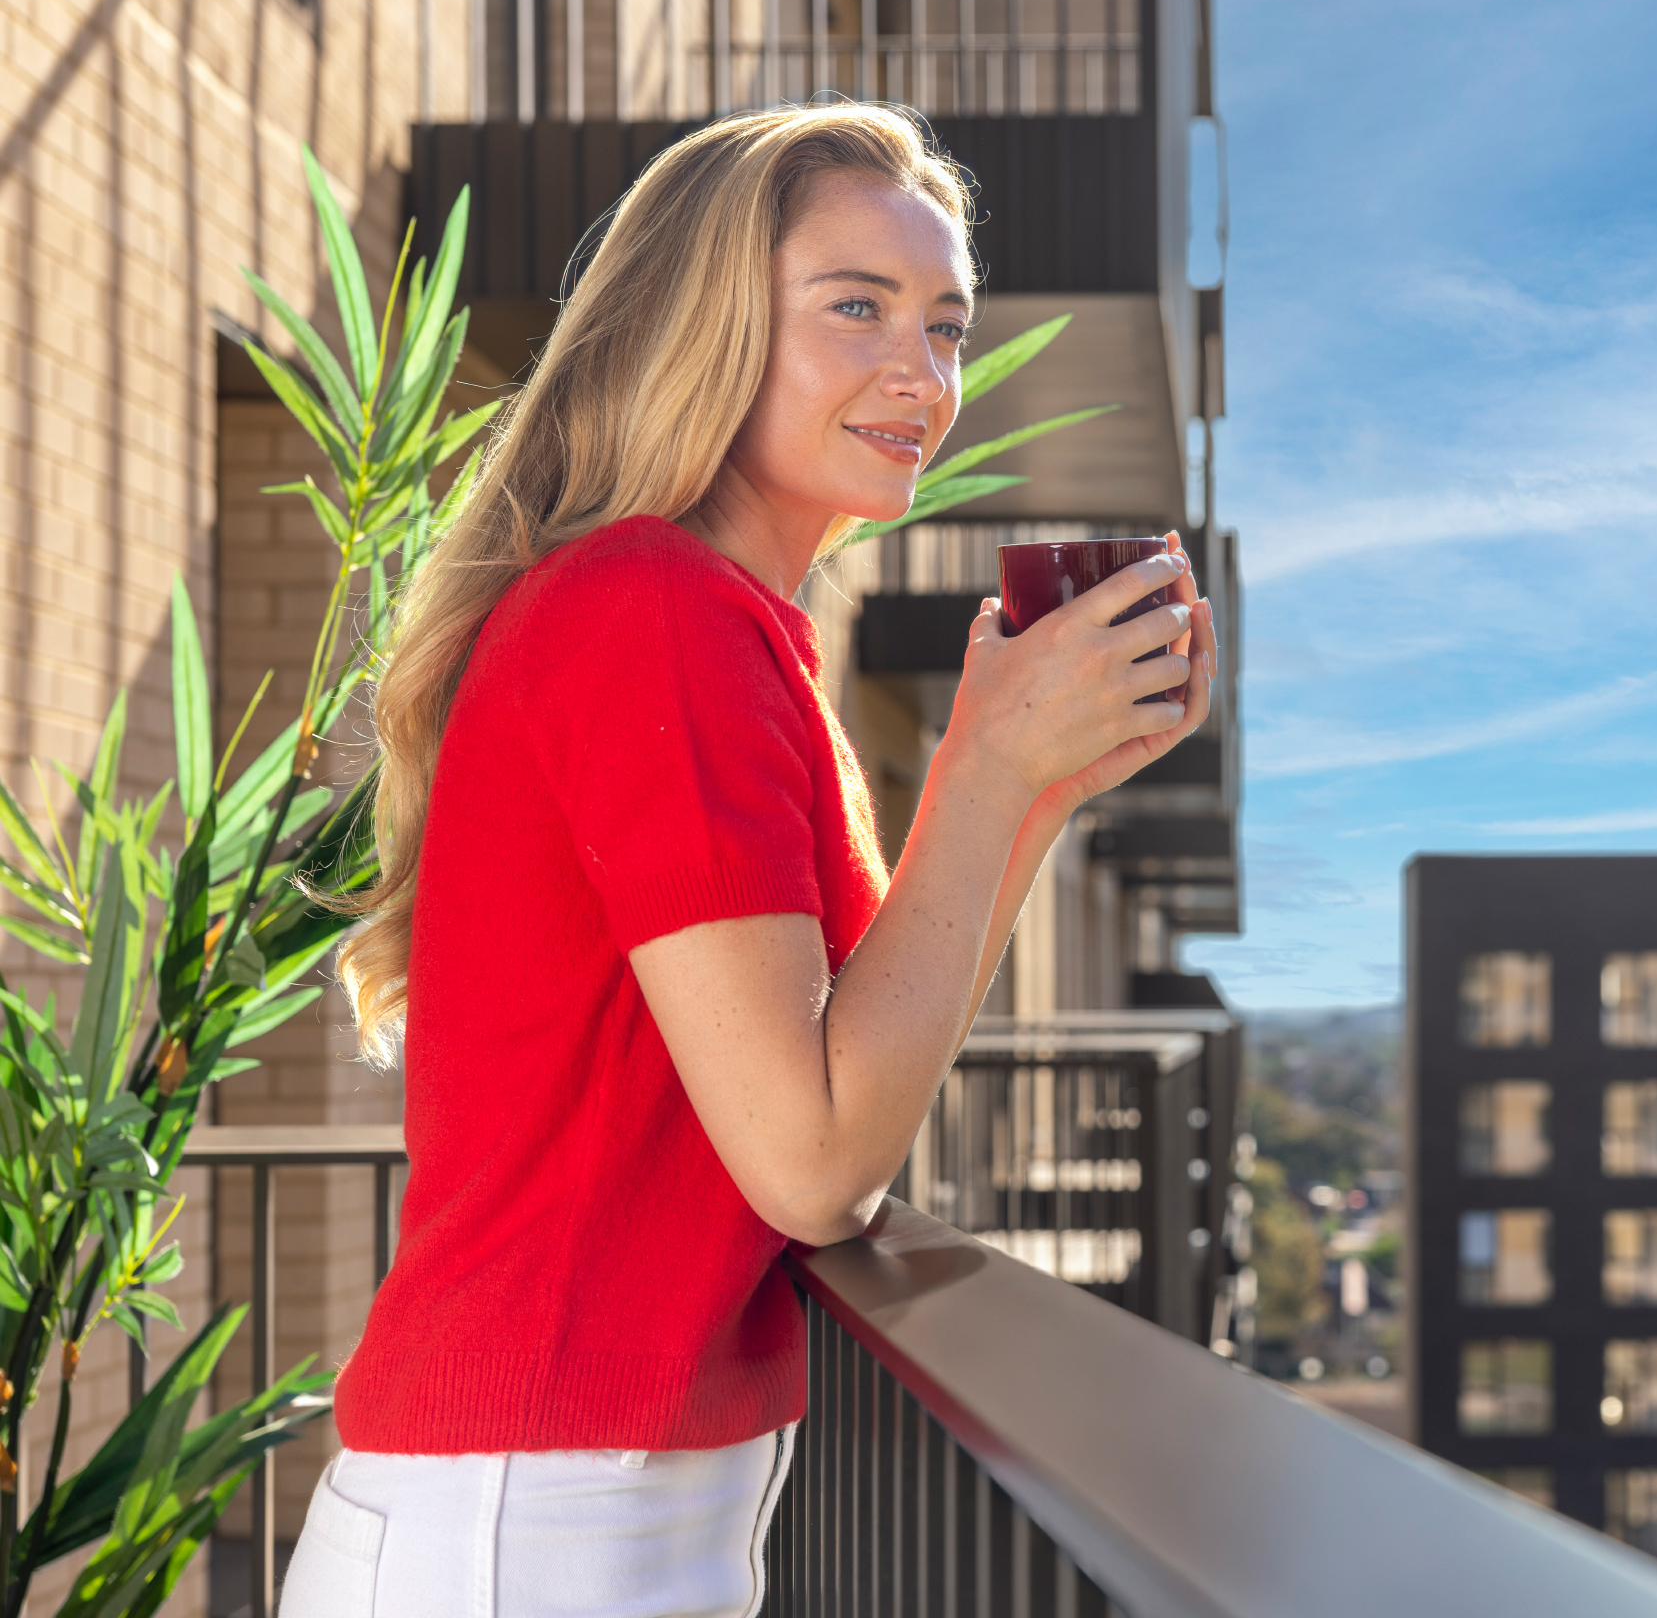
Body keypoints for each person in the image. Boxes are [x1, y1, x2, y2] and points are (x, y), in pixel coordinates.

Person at [275, 103, 1215, 1616]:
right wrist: (981, 772)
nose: (923, 375)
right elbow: (814, 1164)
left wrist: (1035, 790)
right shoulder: (653, 609)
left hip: (578, 1507)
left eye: (949, 326)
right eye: (857, 308)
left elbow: (843, 1063)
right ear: (702, 318)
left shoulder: (717, 620)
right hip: (530, 1525)